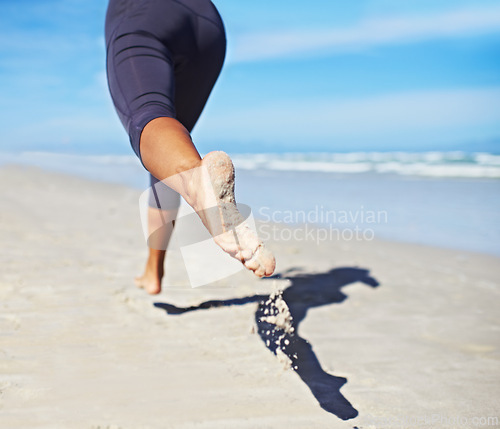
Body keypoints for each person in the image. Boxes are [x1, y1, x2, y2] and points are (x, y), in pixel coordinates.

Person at [105, 0, 275, 294]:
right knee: (171, 149)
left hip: (144, 13)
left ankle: (199, 183)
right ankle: (153, 269)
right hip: (207, 27)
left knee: (149, 116)